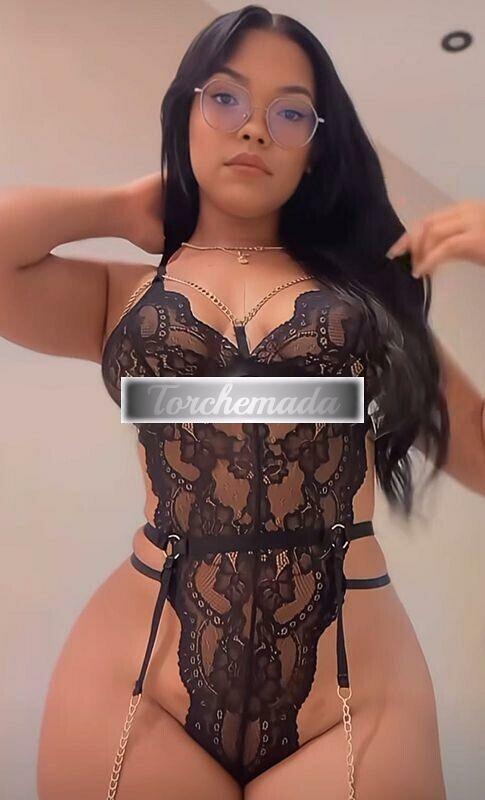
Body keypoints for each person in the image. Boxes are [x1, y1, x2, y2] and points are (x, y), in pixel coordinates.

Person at [1, 5, 484, 800]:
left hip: (353, 692)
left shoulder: (371, 301)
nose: (254, 128)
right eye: (225, 98)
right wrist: (119, 207)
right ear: (185, 111)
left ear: (316, 146)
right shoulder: (121, 292)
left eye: (289, 112)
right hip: (136, 676)